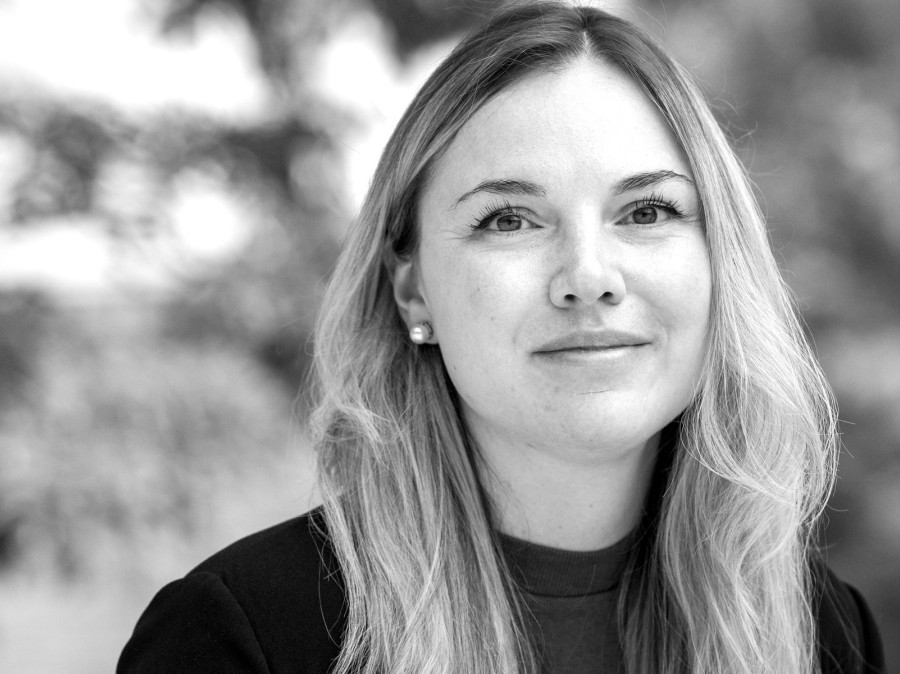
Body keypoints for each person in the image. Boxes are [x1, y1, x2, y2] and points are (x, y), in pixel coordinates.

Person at [118, 3, 885, 673]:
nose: (588, 276)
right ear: (411, 288)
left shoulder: (818, 630)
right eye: (508, 220)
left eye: (647, 213)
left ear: (722, 262)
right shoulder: (240, 637)